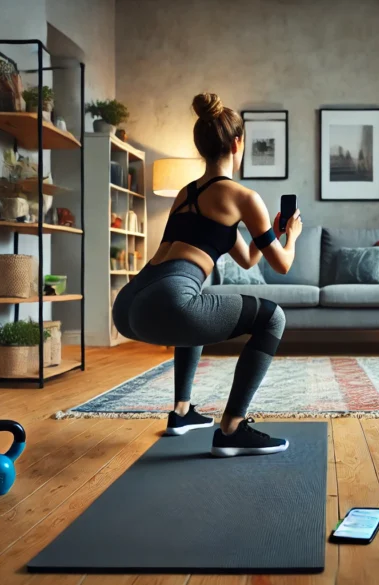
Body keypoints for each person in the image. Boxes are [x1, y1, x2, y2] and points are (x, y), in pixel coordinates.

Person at [112, 93, 302, 457]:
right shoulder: (242, 195)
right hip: (169, 300)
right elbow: (282, 265)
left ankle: (182, 411)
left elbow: (247, 258)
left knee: (195, 306)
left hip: (129, 305)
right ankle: (231, 429)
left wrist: (270, 233)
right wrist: (290, 236)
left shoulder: (186, 193)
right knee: (272, 318)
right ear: (236, 144)